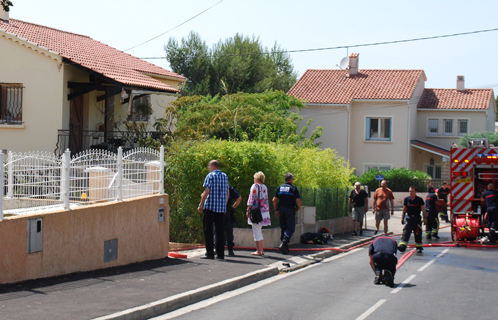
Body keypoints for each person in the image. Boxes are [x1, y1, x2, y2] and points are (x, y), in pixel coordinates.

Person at [198, 160, 229, 260]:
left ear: (212, 166)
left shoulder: (210, 176)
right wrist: (224, 205)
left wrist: (201, 204)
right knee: (220, 231)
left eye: (209, 166)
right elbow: (227, 192)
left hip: (210, 206)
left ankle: (210, 253)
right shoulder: (224, 176)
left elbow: (207, 191)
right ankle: (221, 254)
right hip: (220, 208)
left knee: (208, 230)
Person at [273, 173, 302, 254]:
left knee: (283, 227)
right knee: (290, 228)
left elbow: (274, 200)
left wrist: (276, 210)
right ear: (291, 179)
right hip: (290, 210)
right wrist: (298, 207)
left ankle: (284, 247)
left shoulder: (280, 188)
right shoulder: (293, 189)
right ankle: (285, 241)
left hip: (281, 209)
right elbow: (299, 201)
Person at [246, 172, 271, 256]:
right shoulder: (264, 187)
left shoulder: (255, 186)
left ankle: (259, 251)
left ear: (256, 178)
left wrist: (248, 208)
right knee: (259, 230)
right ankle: (261, 250)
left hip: (256, 211)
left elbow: (251, 198)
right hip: (264, 211)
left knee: (256, 231)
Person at [214, 186, 242, 256]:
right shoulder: (229, 188)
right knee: (229, 231)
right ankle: (230, 249)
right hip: (228, 211)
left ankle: (217, 248)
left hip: (219, 211)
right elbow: (239, 198)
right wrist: (234, 206)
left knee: (217, 230)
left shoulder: (217, 187)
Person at [399, 186, 427, 253]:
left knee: (418, 233)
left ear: (416, 192)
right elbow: (404, 209)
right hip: (409, 219)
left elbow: (423, 209)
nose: (410, 193)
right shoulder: (407, 199)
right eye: (410, 191)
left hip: (417, 219)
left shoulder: (419, 200)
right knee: (406, 232)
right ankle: (402, 246)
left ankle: (419, 247)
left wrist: (425, 218)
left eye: (412, 191)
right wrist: (402, 217)